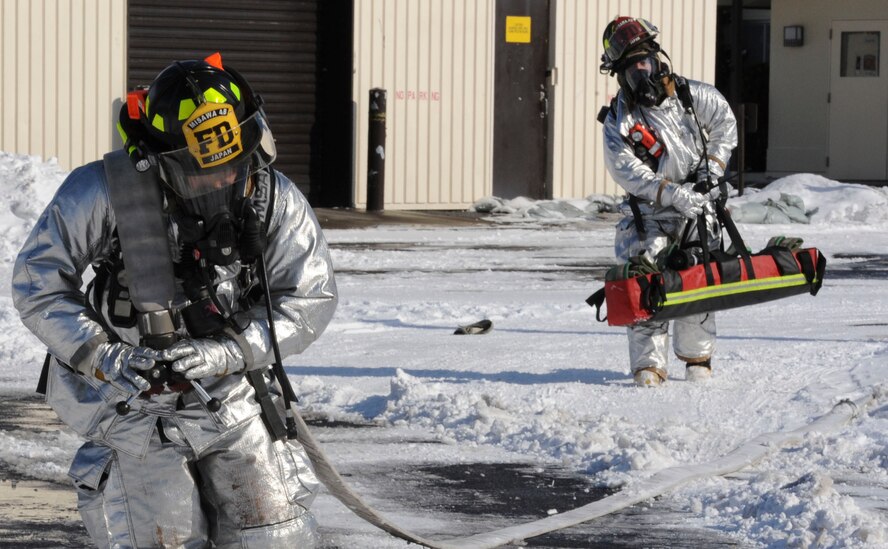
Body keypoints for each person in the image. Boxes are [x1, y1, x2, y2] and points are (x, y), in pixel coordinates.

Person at [12, 53, 338, 547]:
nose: (223, 181)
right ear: (154, 160)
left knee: (275, 537)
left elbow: (309, 296)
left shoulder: (273, 197)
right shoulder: (102, 193)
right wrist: (105, 356)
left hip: (234, 398)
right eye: (200, 173)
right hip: (132, 407)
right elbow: (37, 281)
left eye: (234, 166)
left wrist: (228, 352)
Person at [599, 17, 738, 387]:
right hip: (649, 215)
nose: (639, 75)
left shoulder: (692, 98)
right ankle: (649, 367)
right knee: (644, 286)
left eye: (643, 64)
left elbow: (725, 124)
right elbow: (623, 167)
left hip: (698, 207)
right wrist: (670, 192)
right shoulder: (620, 118)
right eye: (629, 70)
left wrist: (712, 167)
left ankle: (698, 360)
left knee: (699, 281)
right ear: (620, 75)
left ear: (658, 61)